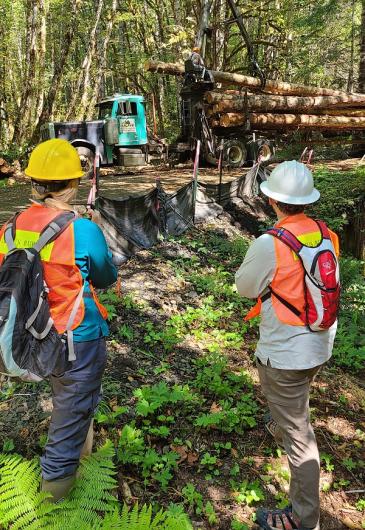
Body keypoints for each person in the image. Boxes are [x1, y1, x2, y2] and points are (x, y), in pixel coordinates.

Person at [0, 139, 118, 502]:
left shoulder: (8, 228)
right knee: (71, 413)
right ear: (73, 184)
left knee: (71, 402)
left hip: (29, 337)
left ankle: (79, 460)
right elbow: (105, 276)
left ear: (34, 182)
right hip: (75, 338)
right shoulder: (81, 230)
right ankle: (55, 504)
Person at [235, 161, 339, 530]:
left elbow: (245, 287)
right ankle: (283, 422)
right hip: (320, 344)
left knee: (300, 437)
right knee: (293, 404)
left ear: (272, 200)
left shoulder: (270, 243)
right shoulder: (327, 235)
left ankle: (302, 518)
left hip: (285, 354)